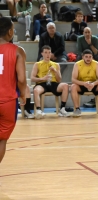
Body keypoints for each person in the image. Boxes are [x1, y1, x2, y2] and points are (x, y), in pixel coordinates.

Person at [0, 17, 27, 163]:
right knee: (2, 139)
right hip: (8, 101)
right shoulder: (18, 51)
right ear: (10, 32)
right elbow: (22, 79)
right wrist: (23, 94)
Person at [31, 45, 70, 119]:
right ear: (42, 53)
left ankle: (62, 109)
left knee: (65, 85)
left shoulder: (56, 64)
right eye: (46, 52)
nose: (48, 54)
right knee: (36, 90)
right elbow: (32, 78)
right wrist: (43, 78)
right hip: (42, 83)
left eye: (49, 52)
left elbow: (59, 80)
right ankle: (39, 111)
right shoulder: (37, 64)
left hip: (53, 83)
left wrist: (55, 71)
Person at [71, 49, 98, 117]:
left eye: (90, 57)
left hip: (93, 84)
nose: (88, 58)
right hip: (82, 84)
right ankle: (77, 109)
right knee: (73, 86)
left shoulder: (96, 64)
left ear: (92, 57)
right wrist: (84, 83)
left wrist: (93, 84)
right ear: (83, 57)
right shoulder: (77, 64)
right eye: (86, 57)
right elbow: (73, 79)